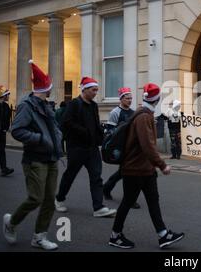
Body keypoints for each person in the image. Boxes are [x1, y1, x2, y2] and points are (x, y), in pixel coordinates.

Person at [109, 83, 184, 249]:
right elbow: (148, 145)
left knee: (152, 201)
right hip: (135, 169)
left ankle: (163, 234)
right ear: (157, 99)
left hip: (144, 169)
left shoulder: (145, 113)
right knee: (128, 202)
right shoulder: (144, 117)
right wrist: (162, 165)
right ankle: (115, 235)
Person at [3, 60, 63, 250]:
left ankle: (39, 237)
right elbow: (17, 130)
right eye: (50, 87)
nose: (51, 90)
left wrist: (57, 138)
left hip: (51, 158)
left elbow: (53, 128)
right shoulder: (26, 106)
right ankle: (11, 222)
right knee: (35, 198)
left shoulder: (46, 105)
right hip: (35, 159)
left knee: (49, 201)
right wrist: (40, 139)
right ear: (45, 88)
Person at [55, 77, 116, 218]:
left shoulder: (94, 106)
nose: (95, 93)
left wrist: (102, 135)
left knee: (96, 176)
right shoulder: (74, 104)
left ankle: (98, 207)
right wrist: (85, 132)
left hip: (92, 148)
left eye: (96, 90)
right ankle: (59, 199)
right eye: (93, 90)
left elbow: (95, 124)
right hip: (76, 147)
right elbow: (66, 123)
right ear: (85, 89)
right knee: (70, 175)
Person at [103, 87, 140, 209]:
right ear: (121, 99)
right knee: (128, 173)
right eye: (127, 98)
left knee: (123, 173)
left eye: (131, 98)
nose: (129, 100)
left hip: (131, 148)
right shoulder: (115, 112)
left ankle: (107, 188)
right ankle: (129, 200)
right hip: (120, 148)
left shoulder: (133, 112)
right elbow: (109, 131)